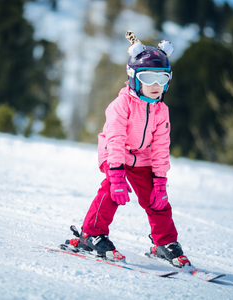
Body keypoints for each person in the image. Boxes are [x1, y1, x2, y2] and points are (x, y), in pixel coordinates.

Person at [72, 31, 191, 268]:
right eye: (148, 78)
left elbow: (160, 148)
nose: (156, 86)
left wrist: (159, 181)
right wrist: (116, 175)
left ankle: (164, 242)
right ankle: (91, 234)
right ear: (134, 78)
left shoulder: (161, 110)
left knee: (157, 201)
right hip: (115, 153)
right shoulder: (120, 105)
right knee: (111, 191)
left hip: (143, 158)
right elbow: (115, 139)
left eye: (163, 79)